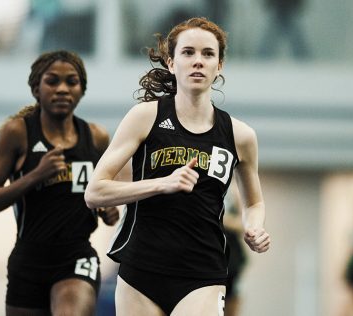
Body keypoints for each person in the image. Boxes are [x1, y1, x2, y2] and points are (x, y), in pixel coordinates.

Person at [85, 17, 270, 315]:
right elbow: (94, 191)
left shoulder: (241, 135)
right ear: (171, 63)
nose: (198, 61)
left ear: (219, 65)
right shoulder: (144, 117)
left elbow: (254, 201)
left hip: (203, 273)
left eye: (208, 54)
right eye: (188, 52)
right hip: (141, 271)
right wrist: (162, 183)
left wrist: (254, 226)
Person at [0, 50, 120, 316]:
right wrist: (35, 175)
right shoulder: (18, 133)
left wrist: (108, 209)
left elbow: (104, 192)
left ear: (82, 90)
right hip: (28, 260)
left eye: (71, 82)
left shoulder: (96, 137)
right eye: (52, 81)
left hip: (76, 256)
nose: (63, 89)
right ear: (36, 88)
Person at [222, 183, 247, 316]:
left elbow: (244, 223)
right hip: (206, 254)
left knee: (231, 297)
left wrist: (222, 219)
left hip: (231, 258)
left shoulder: (234, 190)